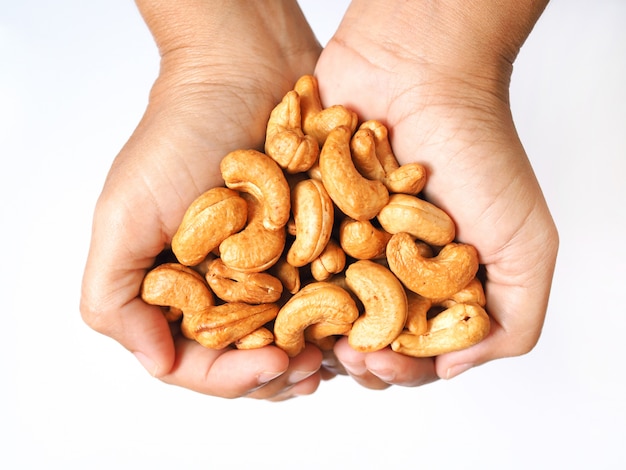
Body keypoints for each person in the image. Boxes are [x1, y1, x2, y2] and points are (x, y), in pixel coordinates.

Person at [80, 0, 558, 400]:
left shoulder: (350, 206)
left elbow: (359, 214)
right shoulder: (297, 215)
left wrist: (223, 60)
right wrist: (425, 62)